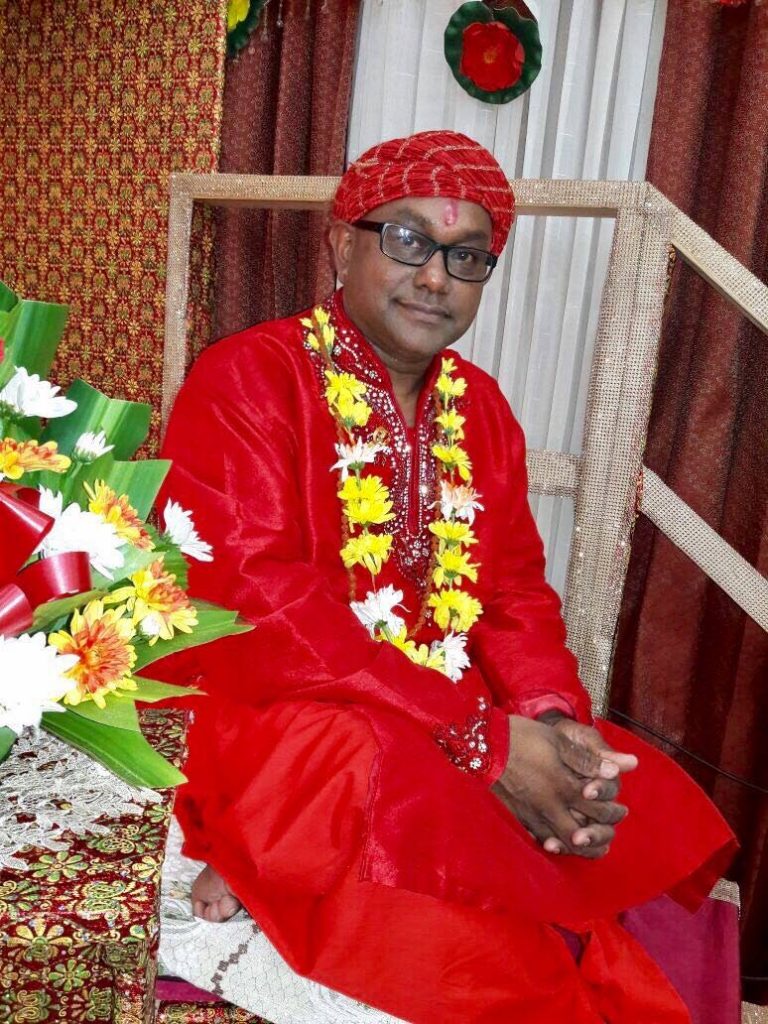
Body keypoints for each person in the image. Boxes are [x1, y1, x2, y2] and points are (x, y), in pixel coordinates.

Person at [160, 131, 736, 1023]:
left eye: (467, 256)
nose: (436, 276)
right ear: (341, 241)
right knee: (386, 793)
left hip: (436, 703)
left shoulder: (485, 411)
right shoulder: (249, 377)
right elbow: (266, 609)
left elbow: (511, 597)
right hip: (279, 706)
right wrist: (477, 740)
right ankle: (272, 850)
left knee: (619, 785)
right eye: (408, 239)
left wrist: (549, 720)